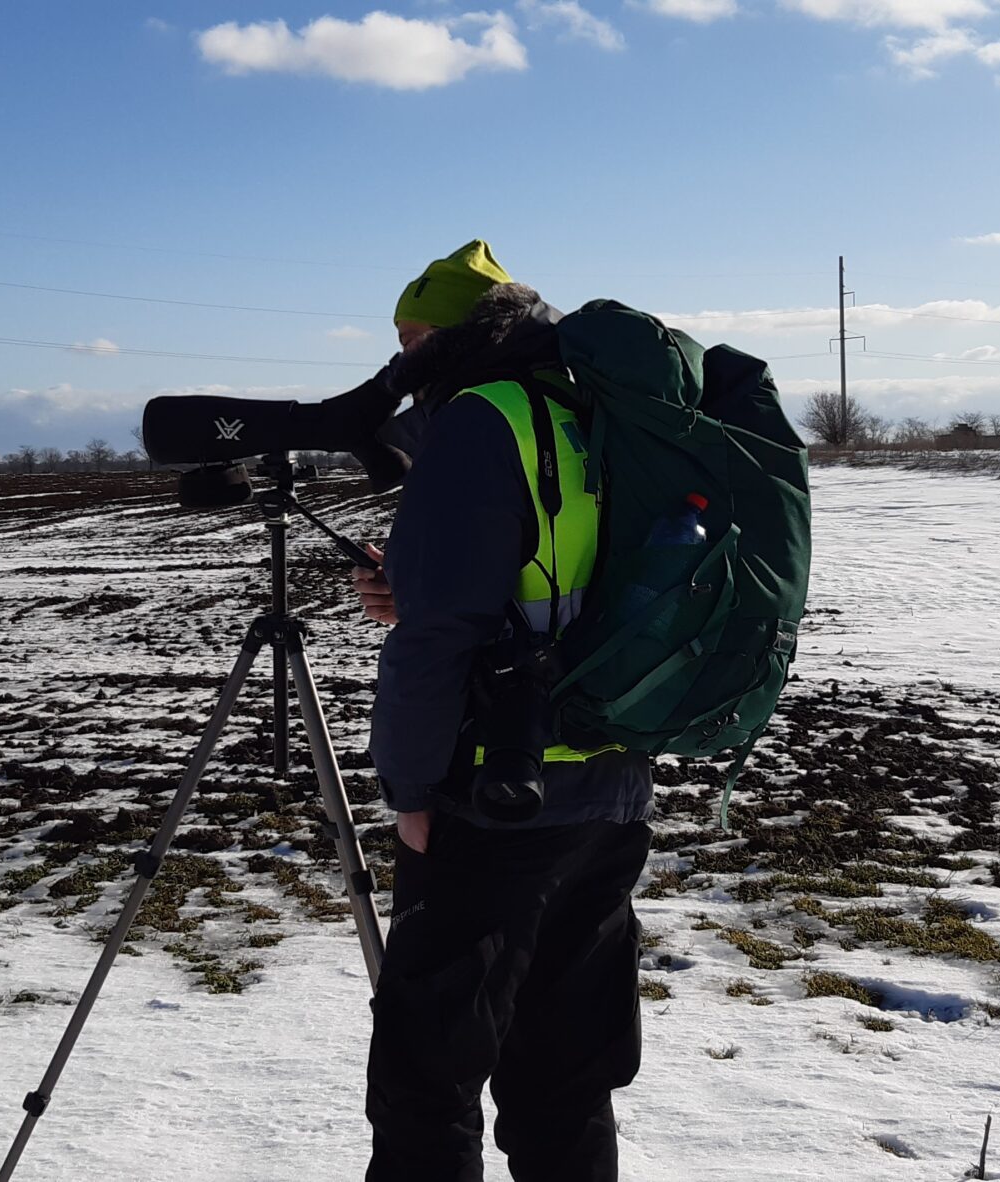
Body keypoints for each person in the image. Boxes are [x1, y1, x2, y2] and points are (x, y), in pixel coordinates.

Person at [352, 240, 656, 1182]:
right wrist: (429, 588)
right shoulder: (585, 408)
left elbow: (435, 645)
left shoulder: (481, 419)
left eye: (411, 336)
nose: (400, 359)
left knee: (427, 1085)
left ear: (449, 336)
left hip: (496, 796)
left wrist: (409, 790)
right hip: (610, 786)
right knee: (566, 1076)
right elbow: (569, 578)